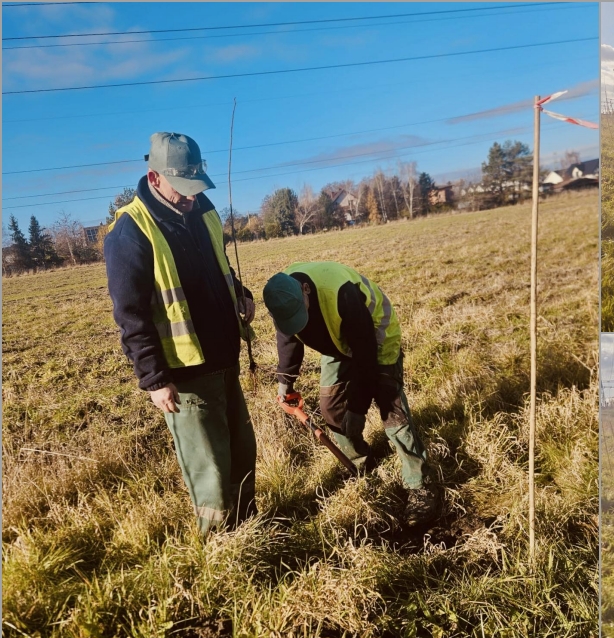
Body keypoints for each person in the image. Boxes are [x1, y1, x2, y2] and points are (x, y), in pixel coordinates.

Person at [104, 132, 257, 535]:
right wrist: (154, 379)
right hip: (185, 373)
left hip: (225, 358)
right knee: (209, 469)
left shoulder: (204, 213)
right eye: (183, 189)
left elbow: (222, 271)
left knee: (241, 453)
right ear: (154, 178)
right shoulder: (130, 231)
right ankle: (221, 550)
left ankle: (251, 530)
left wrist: (241, 295)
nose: (191, 197)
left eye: (196, 187)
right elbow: (130, 315)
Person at [261, 262, 439, 527]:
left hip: (375, 334)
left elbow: (365, 358)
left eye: (301, 313)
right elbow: (289, 339)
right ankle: (360, 464)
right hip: (338, 344)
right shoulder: (283, 297)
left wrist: (357, 409)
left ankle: (421, 483)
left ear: (306, 290)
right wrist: (285, 383)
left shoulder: (341, 294)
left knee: (391, 410)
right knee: (331, 406)